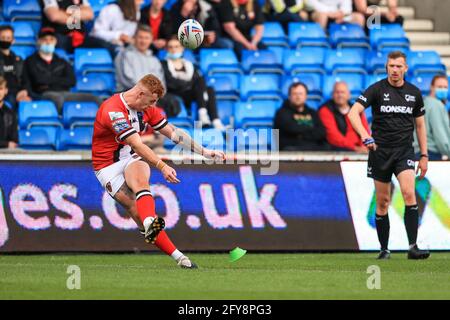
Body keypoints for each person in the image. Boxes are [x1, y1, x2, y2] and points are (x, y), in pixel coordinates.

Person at [91, 73, 226, 268]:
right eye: (151, 101)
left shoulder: (147, 109)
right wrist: (162, 166)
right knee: (135, 210)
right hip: (106, 166)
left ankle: (169, 245)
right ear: (140, 94)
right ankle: (177, 254)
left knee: (140, 176)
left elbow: (174, 133)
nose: (152, 106)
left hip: (129, 157)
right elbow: (137, 144)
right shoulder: (113, 110)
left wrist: (204, 151)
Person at [348, 51, 430, 260]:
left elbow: (420, 125)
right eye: (391, 66)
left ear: (405, 68)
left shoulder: (414, 93)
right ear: (387, 67)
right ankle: (384, 249)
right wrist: (365, 135)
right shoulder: (376, 89)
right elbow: (352, 113)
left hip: (404, 152)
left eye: (399, 66)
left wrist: (424, 155)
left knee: (409, 193)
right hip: (380, 152)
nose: (395, 70)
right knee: (383, 201)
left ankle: (412, 246)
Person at [22, 27, 102, 113]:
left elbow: (71, 81)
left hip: (65, 93)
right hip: (42, 94)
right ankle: (61, 124)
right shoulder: (30, 61)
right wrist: (58, 80)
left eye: (51, 39)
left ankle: (106, 124)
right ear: (39, 41)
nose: (48, 42)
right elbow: (38, 80)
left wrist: (48, 80)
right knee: (57, 99)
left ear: (55, 42)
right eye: (45, 39)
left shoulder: (62, 61)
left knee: (95, 98)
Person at [162, 37, 226, 129]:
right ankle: (205, 116)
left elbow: (198, 81)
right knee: (200, 84)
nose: (173, 49)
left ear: (182, 48)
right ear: (167, 49)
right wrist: (190, 84)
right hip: (176, 94)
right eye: (170, 47)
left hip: (192, 94)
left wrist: (191, 84)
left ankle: (213, 119)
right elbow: (171, 82)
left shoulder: (190, 65)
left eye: (176, 46)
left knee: (209, 89)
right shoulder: (163, 64)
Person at [40, 0, 111, 54]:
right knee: (58, 50)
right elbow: (54, 16)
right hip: (60, 36)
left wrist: (63, 13)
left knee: (106, 46)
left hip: (80, 37)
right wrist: (79, 14)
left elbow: (89, 14)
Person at [273, 82, 327, 151]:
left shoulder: (312, 113)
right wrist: (311, 128)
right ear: (289, 96)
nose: (298, 97)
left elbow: (321, 132)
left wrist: (301, 135)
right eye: (295, 94)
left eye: (300, 94)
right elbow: (292, 128)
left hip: (312, 147)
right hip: (290, 149)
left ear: (306, 96)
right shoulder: (282, 113)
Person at [318, 81, 369, 152]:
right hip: (338, 151)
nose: (340, 95)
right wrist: (355, 148)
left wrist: (364, 146)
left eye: (342, 92)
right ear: (332, 95)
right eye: (337, 92)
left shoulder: (357, 109)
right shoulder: (325, 110)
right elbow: (333, 136)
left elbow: (365, 130)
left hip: (360, 149)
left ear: (349, 95)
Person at [413, 75, 450, 160]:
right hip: (430, 153)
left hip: (418, 152)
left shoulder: (424, 102)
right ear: (432, 87)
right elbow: (440, 136)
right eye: (439, 87)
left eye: (445, 87)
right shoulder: (436, 104)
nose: (443, 89)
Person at [0, 25, 31, 108]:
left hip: (19, 92)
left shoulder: (18, 60)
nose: (5, 40)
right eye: (2, 38)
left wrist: (24, 90)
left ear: (13, 40)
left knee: (30, 104)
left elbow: (25, 79)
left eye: (8, 38)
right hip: (4, 92)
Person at [0, 77, 18, 149]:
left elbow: (14, 140)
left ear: (6, 91)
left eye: (0, 89)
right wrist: (6, 144)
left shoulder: (10, 113)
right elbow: (9, 144)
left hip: (6, 155)